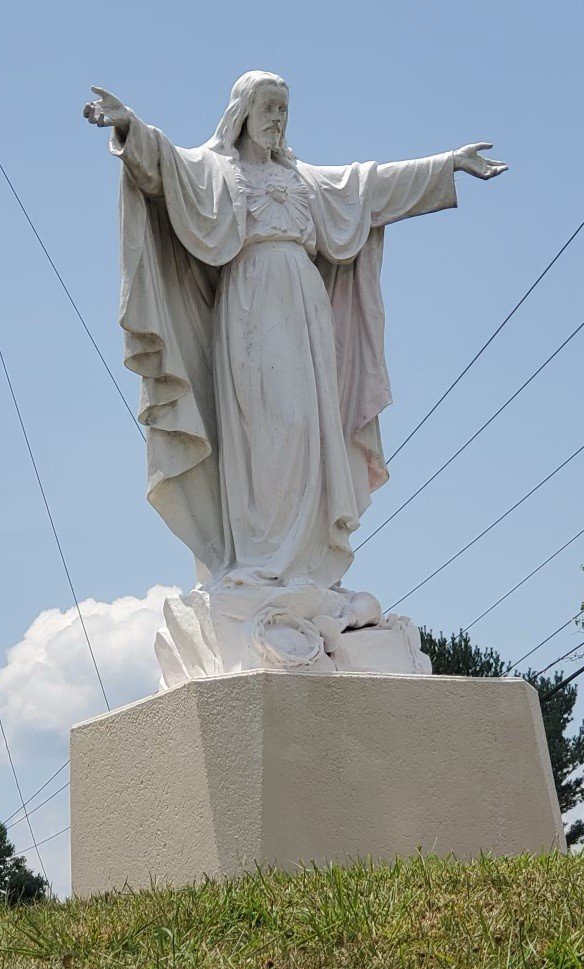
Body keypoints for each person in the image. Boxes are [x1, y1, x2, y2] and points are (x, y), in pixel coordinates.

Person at [84, 70, 507, 594]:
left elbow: (372, 185)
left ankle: (304, 566)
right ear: (242, 113)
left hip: (307, 310)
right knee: (266, 423)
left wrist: (446, 164)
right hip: (250, 304)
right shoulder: (216, 170)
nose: (278, 120)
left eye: (284, 110)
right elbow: (164, 166)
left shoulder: (304, 179)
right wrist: (128, 126)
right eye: (268, 108)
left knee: (308, 426)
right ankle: (259, 557)